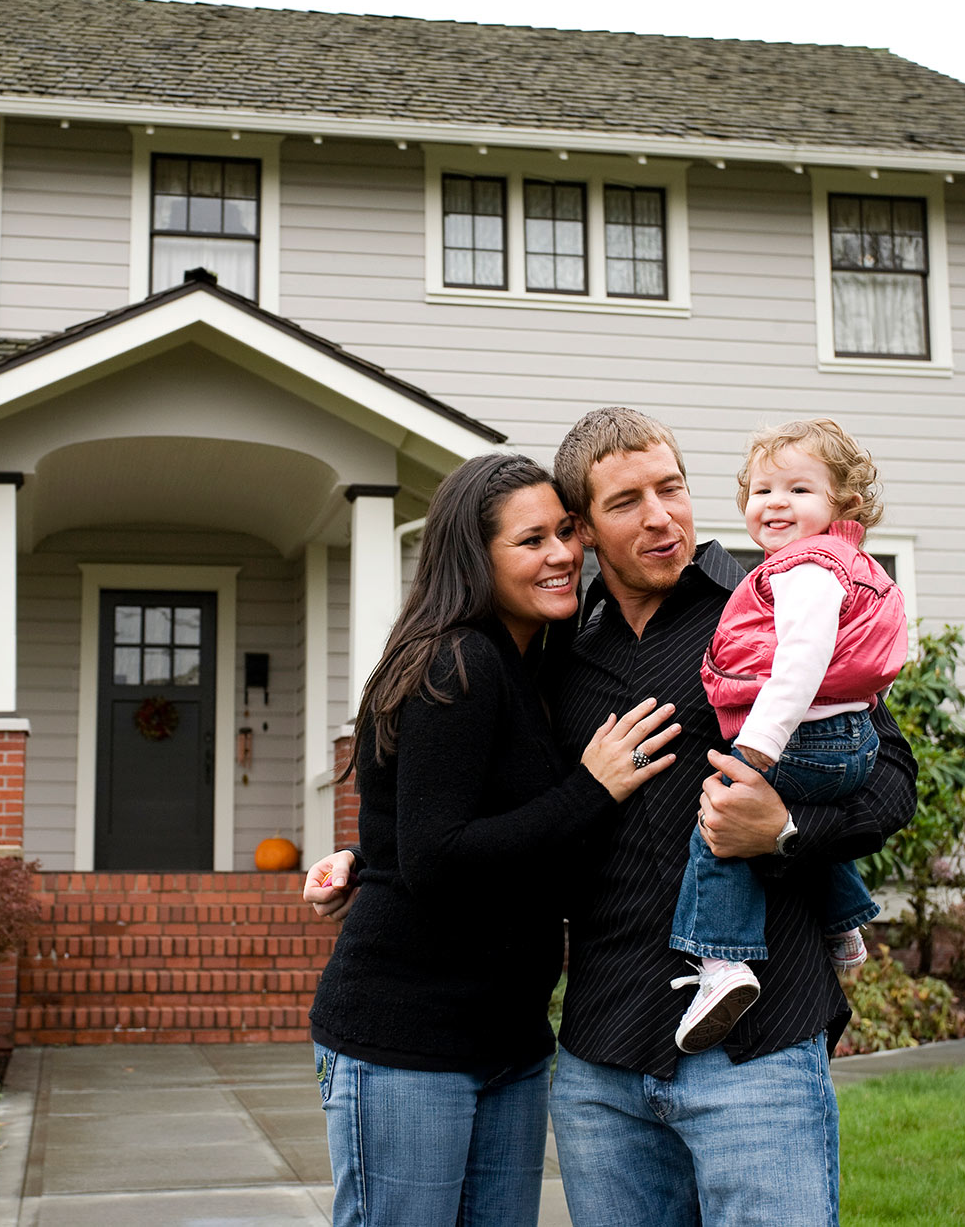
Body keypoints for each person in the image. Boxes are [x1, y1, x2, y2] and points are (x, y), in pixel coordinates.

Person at [308, 408, 916, 1227]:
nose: (660, 515)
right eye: (626, 502)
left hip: (755, 1046)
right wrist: (371, 853)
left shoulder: (768, 607)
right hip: (603, 1054)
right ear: (586, 530)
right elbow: (479, 802)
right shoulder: (559, 651)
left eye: (671, 487)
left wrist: (783, 831)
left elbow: (891, 779)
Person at [307, 451, 679, 1227]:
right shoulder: (458, 660)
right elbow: (438, 857)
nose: (561, 555)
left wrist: (364, 859)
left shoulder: (528, 666)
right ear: (476, 559)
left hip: (506, 1040)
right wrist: (592, 787)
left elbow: (433, 822)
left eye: (566, 532)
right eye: (531, 540)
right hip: (410, 1035)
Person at [668, 418, 909, 1054]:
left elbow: (799, 664)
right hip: (842, 738)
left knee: (720, 816)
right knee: (776, 820)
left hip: (809, 737)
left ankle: (722, 963)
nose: (776, 503)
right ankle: (844, 922)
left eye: (799, 490)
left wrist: (756, 749)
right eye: (763, 489)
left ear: (842, 506)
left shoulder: (806, 568)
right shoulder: (830, 562)